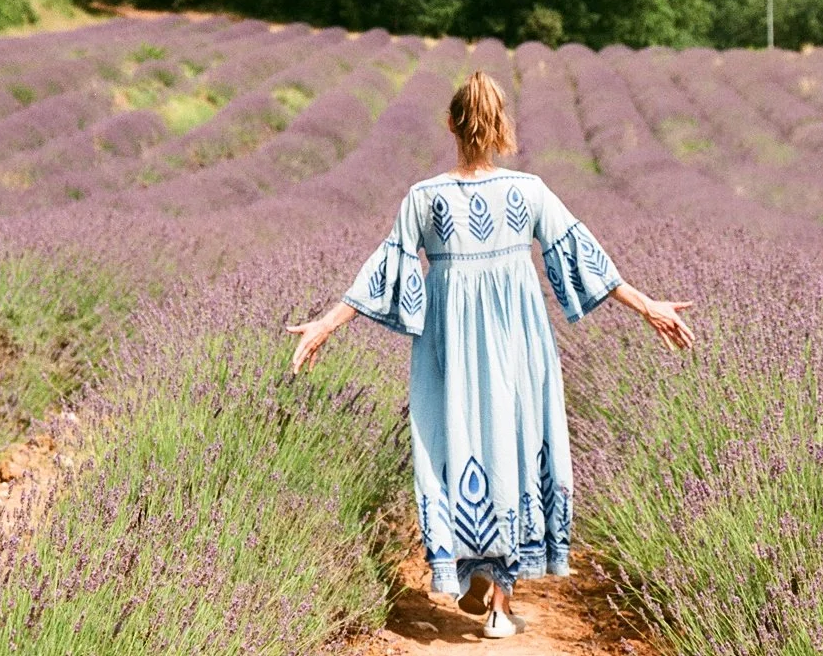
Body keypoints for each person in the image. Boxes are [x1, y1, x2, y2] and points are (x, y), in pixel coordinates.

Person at [288, 71, 694, 640]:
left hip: (448, 347)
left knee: (455, 443)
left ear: (450, 124)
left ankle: (472, 571)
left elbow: (385, 268)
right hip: (517, 345)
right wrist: (646, 304)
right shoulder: (529, 191)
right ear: (502, 127)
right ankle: (499, 601)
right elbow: (581, 255)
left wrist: (327, 324)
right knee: (516, 444)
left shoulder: (424, 199)